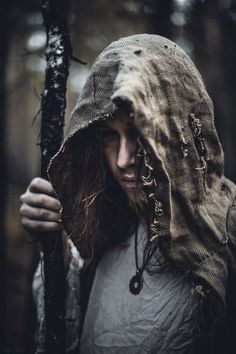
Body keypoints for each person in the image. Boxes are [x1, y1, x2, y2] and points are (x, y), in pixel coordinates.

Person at [19, 34, 236, 353]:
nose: (122, 161)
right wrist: (57, 244)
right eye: (109, 135)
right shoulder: (101, 222)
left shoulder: (228, 229)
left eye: (138, 133)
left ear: (176, 132)